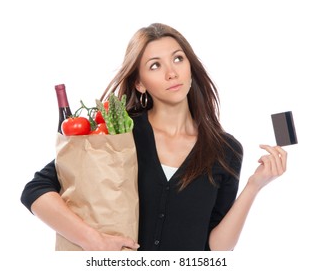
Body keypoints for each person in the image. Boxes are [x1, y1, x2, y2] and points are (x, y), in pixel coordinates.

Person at [21, 23, 287, 251]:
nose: (171, 72)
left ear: (190, 68)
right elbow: (35, 191)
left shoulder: (226, 149)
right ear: (139, 82)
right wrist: (93, 240)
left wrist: (254, 186)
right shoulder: (119, 134)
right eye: (155, 65)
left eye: (178, 59)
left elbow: (217, 247)